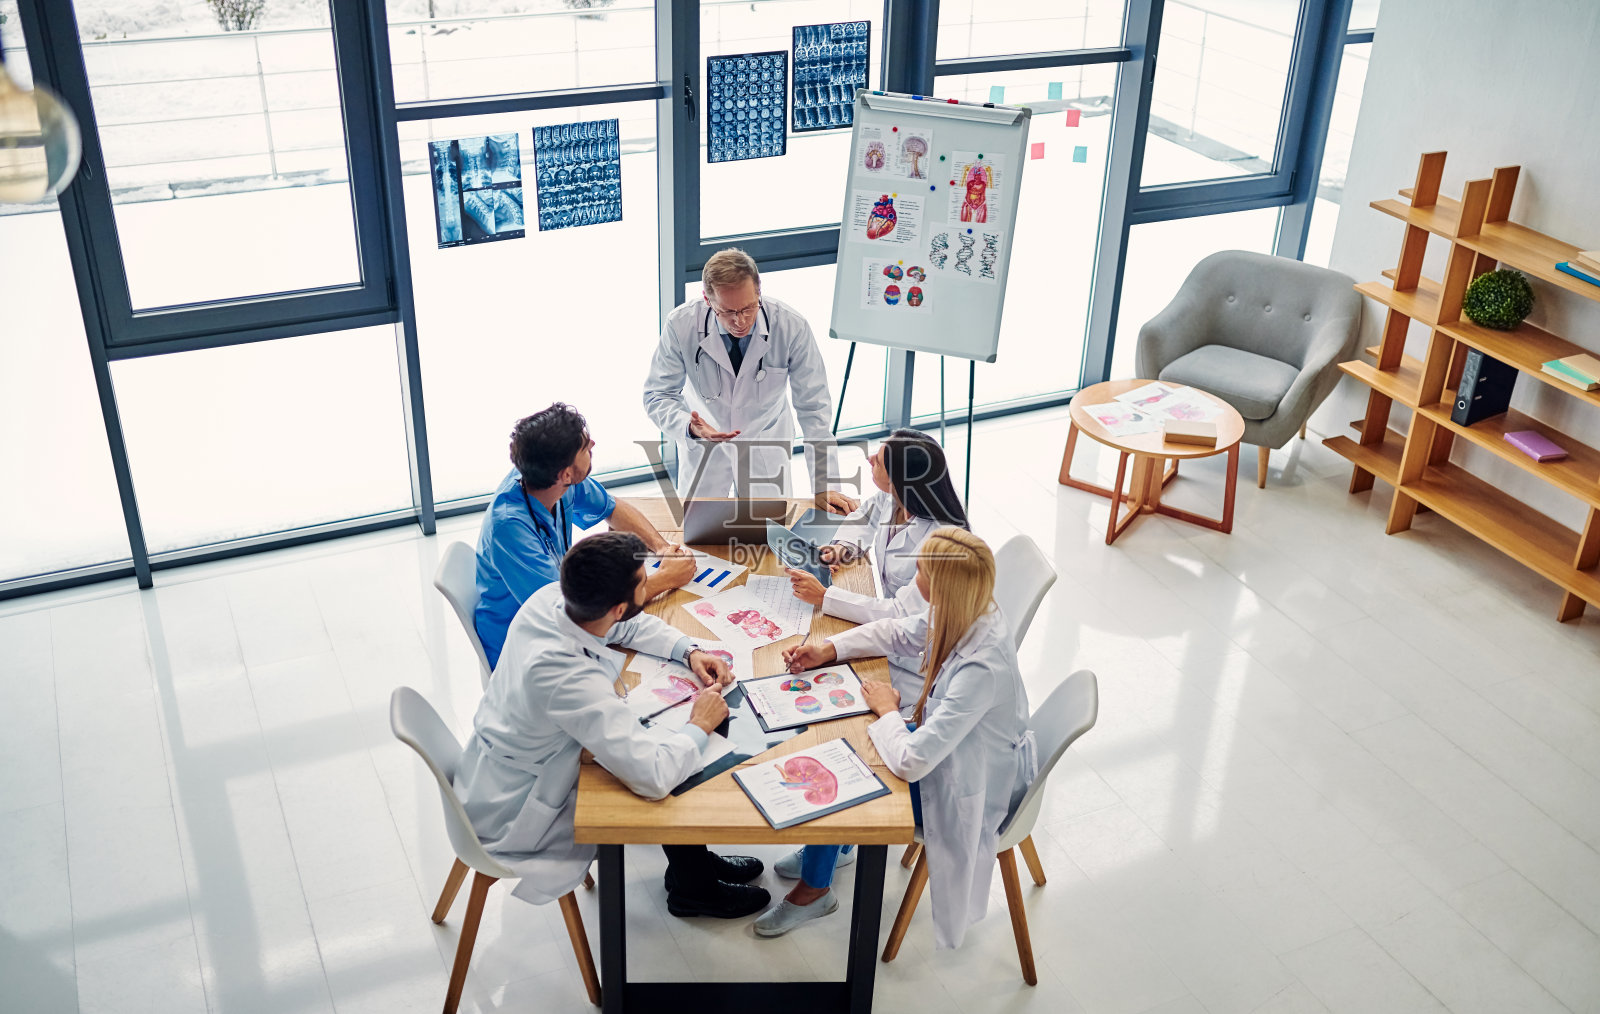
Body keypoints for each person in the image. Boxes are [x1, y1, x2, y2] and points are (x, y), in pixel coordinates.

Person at [455, 532, 771, 918]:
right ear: (619, 606)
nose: (650, 578)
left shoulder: (552, 599)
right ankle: (696, 890)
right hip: (519, 807)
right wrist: (699, 725)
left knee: (658, 743)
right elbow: (653, 776)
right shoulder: (568, 679)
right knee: (673, 766)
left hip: (507, 760)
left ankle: (694, 870)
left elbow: (626, 628)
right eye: (644, 579)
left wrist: (689, 651)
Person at [754, 529, 1034, 946]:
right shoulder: (970, 608)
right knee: (848, 742)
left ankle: (817, 888)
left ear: (939, 585)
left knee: (842, 766)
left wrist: (887, 710)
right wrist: (828, 649)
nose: (912, 576)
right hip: (954, 749)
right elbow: (900, 632)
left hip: (966, 786)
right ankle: (830, 850)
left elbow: (912, 762)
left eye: (920, 569)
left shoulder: (982, 669)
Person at [772, 429, 969, 886]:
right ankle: (833, 846)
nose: (868, 460)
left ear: (901, 479)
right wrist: (841, 549)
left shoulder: (941, 542)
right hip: (899, 643)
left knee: (839, 735)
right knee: (825, 680)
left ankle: (817, 884)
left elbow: (902, 618)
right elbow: (864, 518)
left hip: (918, 676)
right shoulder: (893, 501)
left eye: (878, 460)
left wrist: (828, 598)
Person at [475, 403, 696, 670]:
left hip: (564, 612)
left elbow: (612, 508)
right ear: (565, 474)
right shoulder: (509, 529)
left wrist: (661, 548)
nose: (593, 443)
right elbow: (574, 613)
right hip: (525, 649)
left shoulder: (550, 480)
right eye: (583, 446)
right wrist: (667, 578)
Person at [643, 247, 855, 511]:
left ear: (758, 290)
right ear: (708, 300)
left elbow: (815, 409)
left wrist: (826, 484)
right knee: (702, 536)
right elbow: (657, 395)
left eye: (748, 308)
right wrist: (689, 426)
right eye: (728, 312)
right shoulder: (681, 324)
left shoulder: (791, 326)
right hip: (706, 447)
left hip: (765, 442)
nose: (740, 321)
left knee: (766, 536)